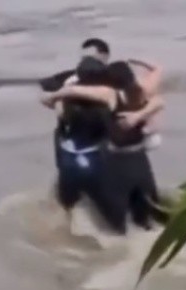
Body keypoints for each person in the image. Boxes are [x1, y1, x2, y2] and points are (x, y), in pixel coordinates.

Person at [42, 61, 168, 230]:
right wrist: (138, 116)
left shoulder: (109, 95)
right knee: (151, 214)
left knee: (115, 222)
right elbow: (159, 93)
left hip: (114, 164)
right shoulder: (140, 92)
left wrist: (53, 97)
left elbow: (72, 93)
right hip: (140, 161)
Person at [41, 56, 128, 234]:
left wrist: (59, 93)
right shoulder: (109, 96)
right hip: (96, 163)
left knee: (66, 210)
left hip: (69, 162)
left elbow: (51, 104)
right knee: (116, 222)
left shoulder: (64, 103)